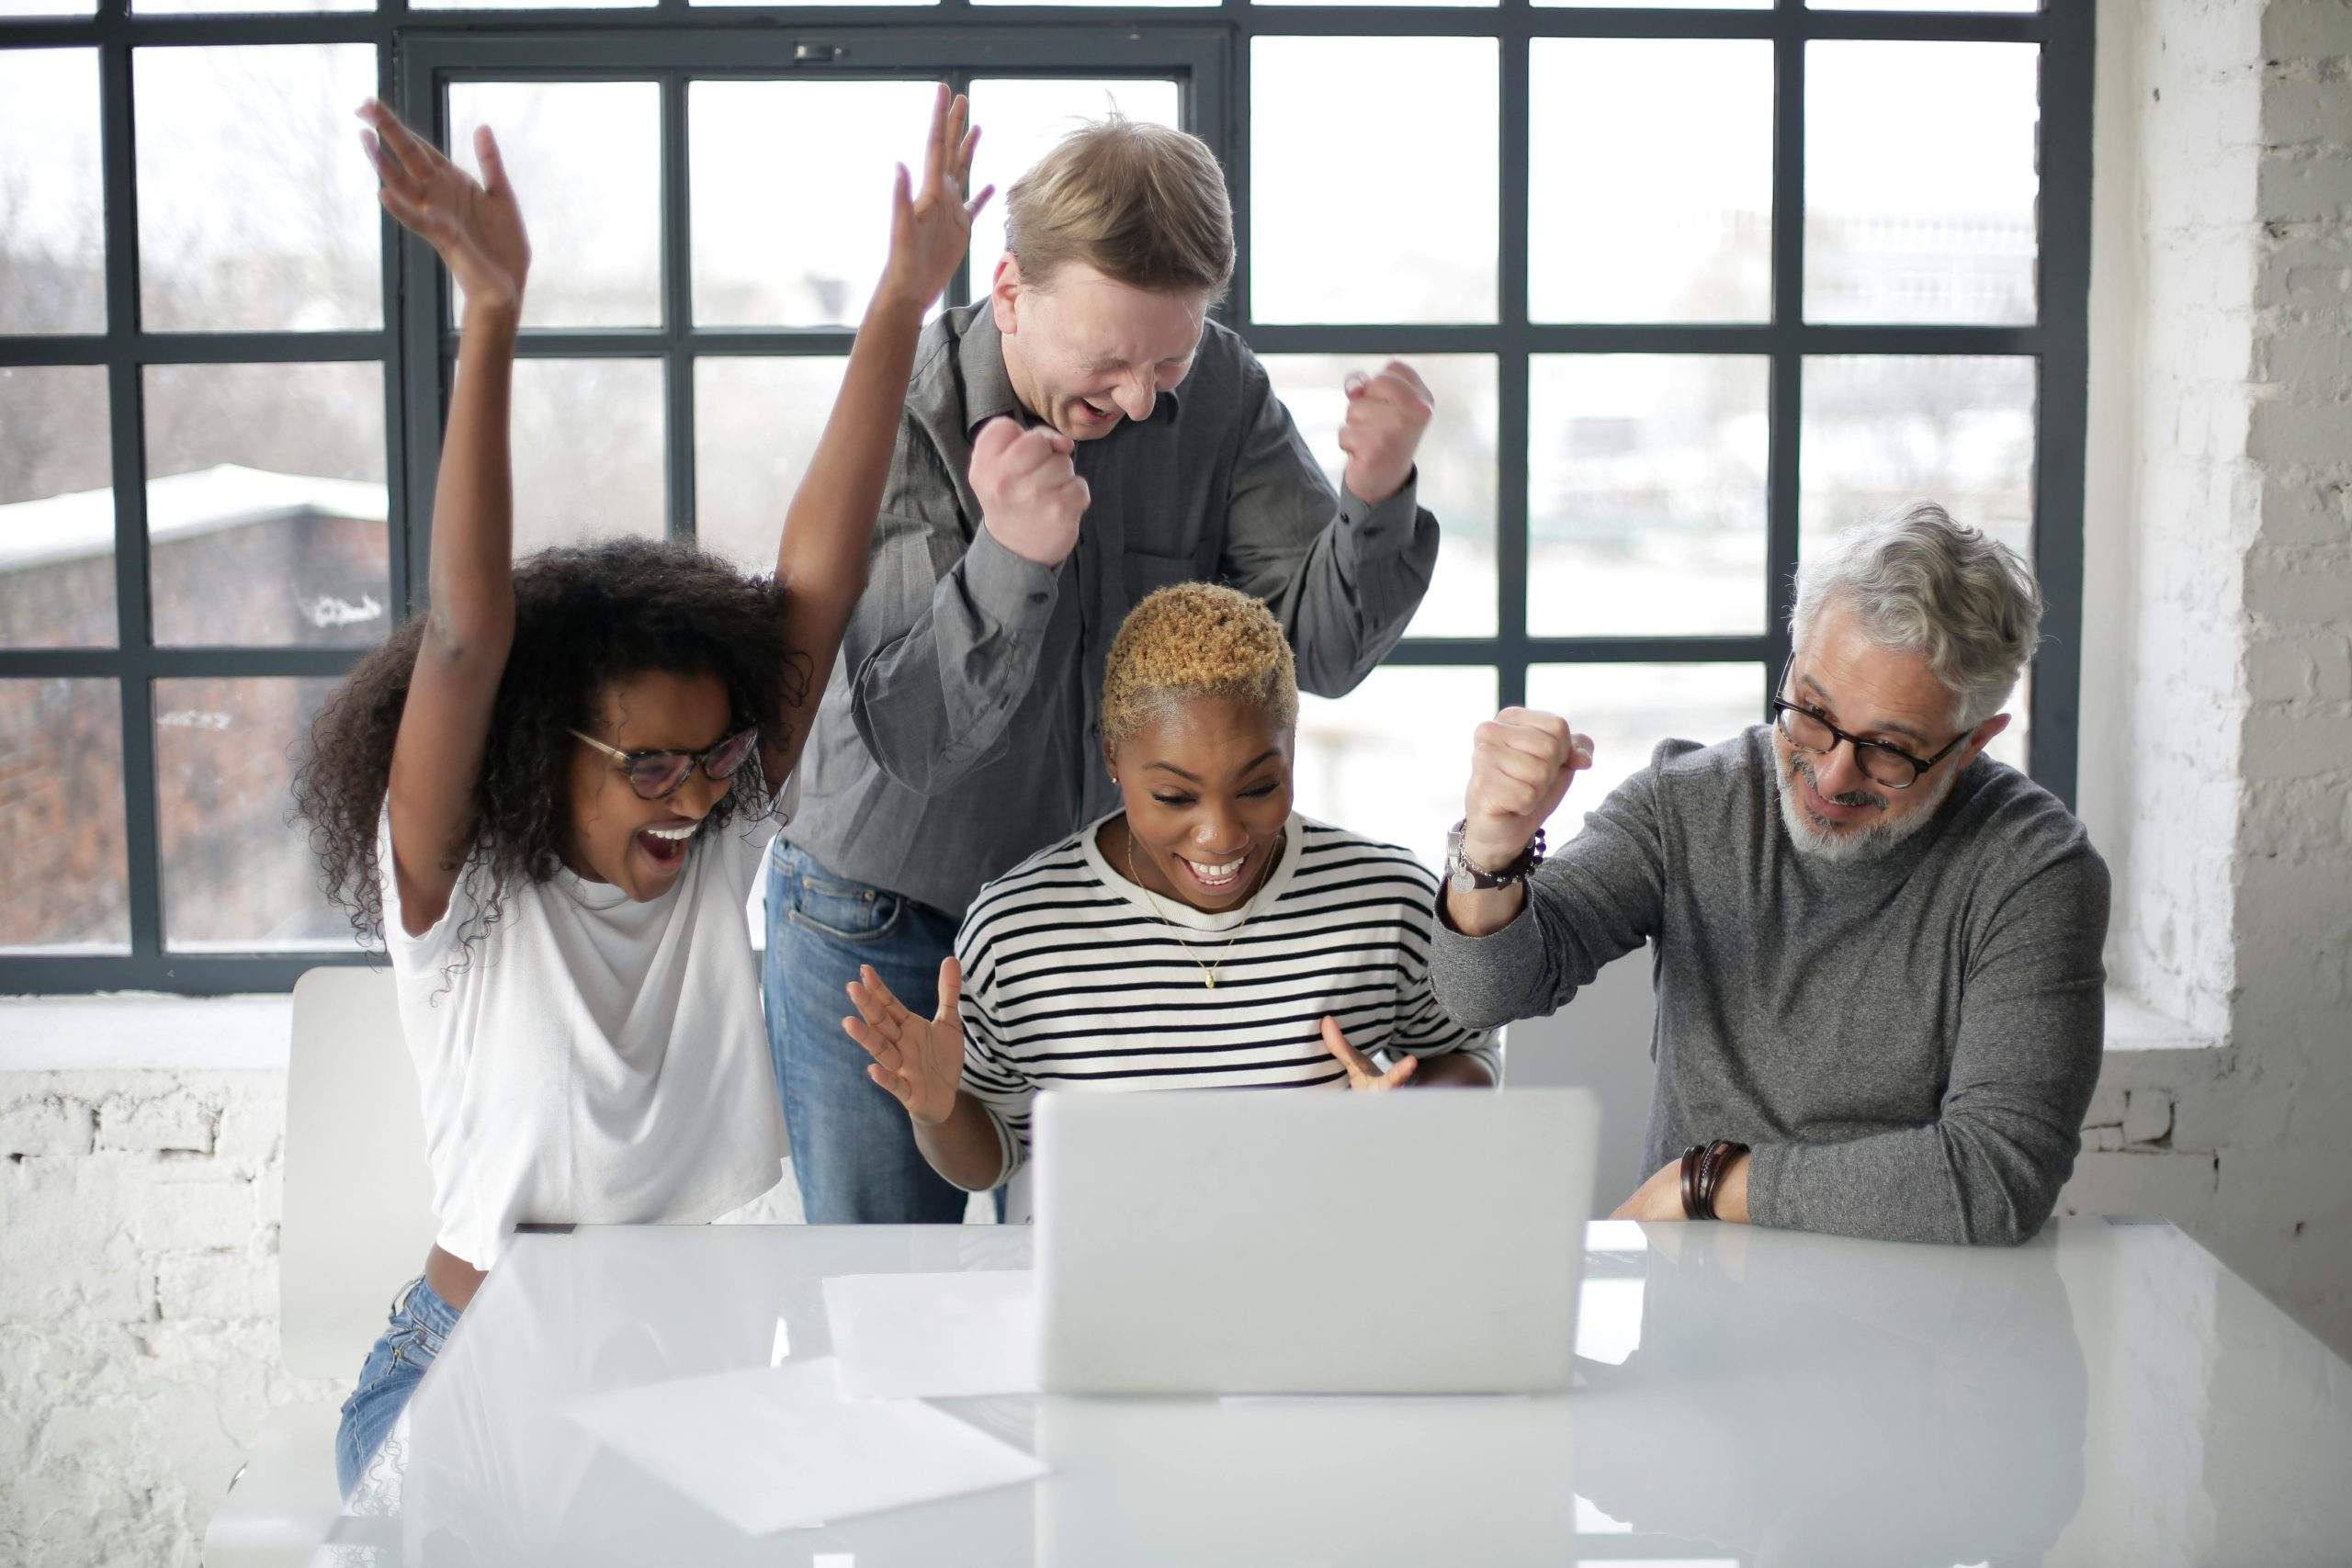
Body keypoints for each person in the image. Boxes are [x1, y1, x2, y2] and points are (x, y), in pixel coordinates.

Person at [294, 88, 990, 1494]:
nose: (691, 795)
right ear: (546, 747)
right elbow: (468, 635)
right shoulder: (463, 896)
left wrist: (907, 296)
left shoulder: (721, 832)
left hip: (694, 1381)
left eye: (718, 755)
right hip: (469, 1364)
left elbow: (816, 574)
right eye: (651, 765)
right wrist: (490, 311)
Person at [765, 115, 1446, 1223]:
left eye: (1167, 358)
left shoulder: (1219, 391)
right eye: (1109, 361)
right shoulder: (909, 408)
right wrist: (1013, 556)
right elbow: (915, 737)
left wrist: (1374, 496)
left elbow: (1314, 653)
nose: (1140, 400)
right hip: (884, 913)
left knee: (1091, 1277)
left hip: (1084, 931)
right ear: (1012, 290)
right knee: (885, 1293)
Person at [1430, 502, 2109, 1245]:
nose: (1831, 772)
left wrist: (1709, 1181)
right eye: (1813, 710)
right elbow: (1483, 992)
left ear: (1975, 741)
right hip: (1696, 1318)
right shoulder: (1690, 799)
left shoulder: (2034, 869)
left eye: (1890, 748)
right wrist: (1490, 850)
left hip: (1922, 1314)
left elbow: (1999, 1176)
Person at [842, 583, 1497, 1204]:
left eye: (1259, 787)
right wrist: (938, 1111)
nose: (1220, 836)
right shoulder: (1019, 931)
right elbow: (994, 1157)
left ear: (1292, 749)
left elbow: (1467, 1057)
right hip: (1107, 1294)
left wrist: (1406, 1120)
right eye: (1175, 797)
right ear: (1113, 759)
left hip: (1315, 1280)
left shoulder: (1384, 900)